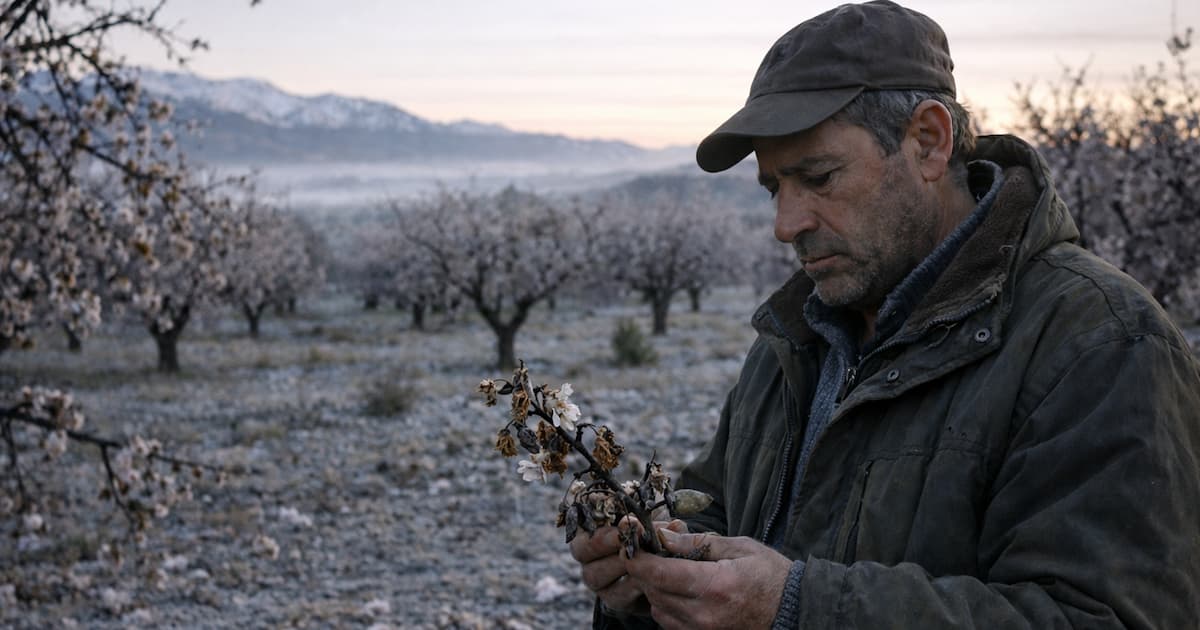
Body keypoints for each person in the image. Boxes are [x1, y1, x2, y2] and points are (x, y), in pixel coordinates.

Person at [569, 1, 1200, 628]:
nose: (786, 225)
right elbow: (719, 523)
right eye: (775, 189)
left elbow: (1104, 617)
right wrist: (647, 581)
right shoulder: (795, 341)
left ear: (928, 142)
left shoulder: (1103, 344)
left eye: (818, 177)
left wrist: (794, 608)